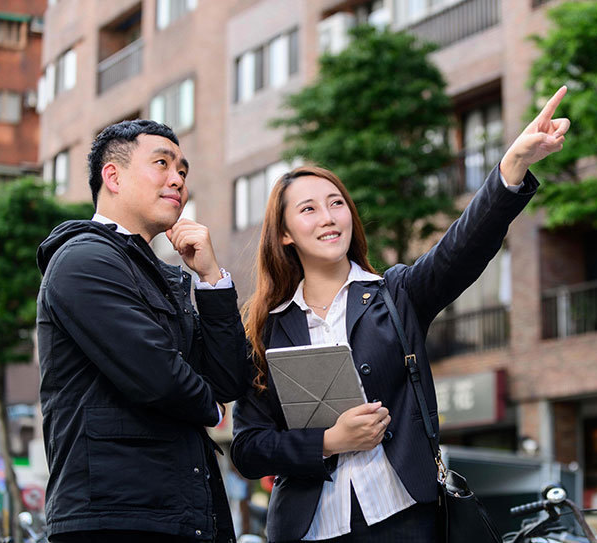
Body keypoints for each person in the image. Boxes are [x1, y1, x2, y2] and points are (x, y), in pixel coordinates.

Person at [230, 87, 571, 543]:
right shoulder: (266, 329)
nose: (328, 217)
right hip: (309, 530)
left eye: (336, 203)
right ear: (286, 234)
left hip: (406, 520)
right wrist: (330, 441)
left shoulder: (396, 293)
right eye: (308, 209)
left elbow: (461, 249)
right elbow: (249, 449)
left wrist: (512, 167)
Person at [36, 120, 249, 543]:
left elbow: (228, 379)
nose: (177, 180)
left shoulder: (158, 275)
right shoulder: (83, 261)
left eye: (183, 171)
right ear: (112, 176)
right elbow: (160, 378)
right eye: (162, 164)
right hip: (115, 519)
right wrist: (211, 409)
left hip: (180, 513)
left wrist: (210, 277)